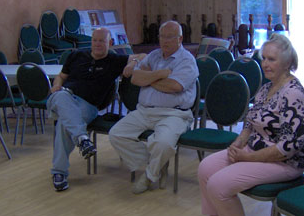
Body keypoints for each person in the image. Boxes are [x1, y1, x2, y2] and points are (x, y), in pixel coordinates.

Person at [188, 33, 304, 216]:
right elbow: (250, 122)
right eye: (263, 58)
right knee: (206, 168)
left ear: (287, 63)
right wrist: (238, 144)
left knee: (219, 183)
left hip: (284, 162)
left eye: (271, 59)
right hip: (254, 150)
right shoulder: (267, 87)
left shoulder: (293, 95)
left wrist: (248, 157)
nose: (265, 64)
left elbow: (287, 148)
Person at [48, 28, 145, 192]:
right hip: (64, 98)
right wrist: (57, 84)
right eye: (95, 40)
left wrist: (134, 63)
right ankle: (81, 139)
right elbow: (61, 77)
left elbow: (144, 56)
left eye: (102, 41)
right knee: (61, 96)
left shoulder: (114, 60)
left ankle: (60, 172)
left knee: (64, 125)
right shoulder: (76, 55)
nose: (98, 44)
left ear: (110, 43)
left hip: (88, 107)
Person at [109, 21, 199, 194]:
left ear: (180, 38)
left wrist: (148, 78)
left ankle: (150, 176)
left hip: (174, 114)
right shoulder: (154, 55)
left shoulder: (187, 60)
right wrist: (159, 75)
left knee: (163, 143)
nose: (164, 41)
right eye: (162, 36)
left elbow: (175, 87)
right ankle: (157, 164)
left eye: (170, 37)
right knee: (116, 134)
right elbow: (135, 79)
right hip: (144, 111)